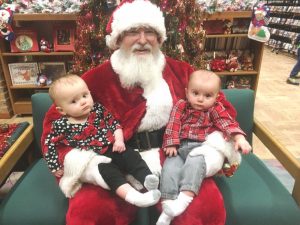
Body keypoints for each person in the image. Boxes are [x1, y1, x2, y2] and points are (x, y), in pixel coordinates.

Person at [41, 1, 237, 224]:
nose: (143, 40)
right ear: (118, 39)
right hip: (116, 160)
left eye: (150, 32)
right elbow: (55, 123)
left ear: (159, 38)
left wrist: (208, 153)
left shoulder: (182, 72)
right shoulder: (94, 79)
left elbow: (222, 109)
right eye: (133, 31)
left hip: (174, 155)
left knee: (203, 209)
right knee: (90, 212)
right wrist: (90, 165)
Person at [44, 74, 161, 207]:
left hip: (112, 147)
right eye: (74, 101)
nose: (83, 102)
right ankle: (134, 197)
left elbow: (114, 125)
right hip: (94, 158)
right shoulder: (60, 125)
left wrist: (119, 141)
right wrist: (54, 166)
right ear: (61, 110)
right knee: (108, 173)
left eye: (85, 96)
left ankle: (147, 179)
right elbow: (50, 145)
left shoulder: (98, 110)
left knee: (131, 155)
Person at [156, 70, 252, 225]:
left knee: (195, 164)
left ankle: (184, 199)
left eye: (207, 96)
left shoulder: (214, 109)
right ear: (187, 92)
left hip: (201, 147)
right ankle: (167, 205)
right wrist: (171, 142)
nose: (200, 99)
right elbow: (174, 123)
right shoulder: (181, 105)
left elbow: (226, 122)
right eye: (195, 93)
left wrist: (239, 138)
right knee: (169, 167)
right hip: (180, 147)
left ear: (216, 96)